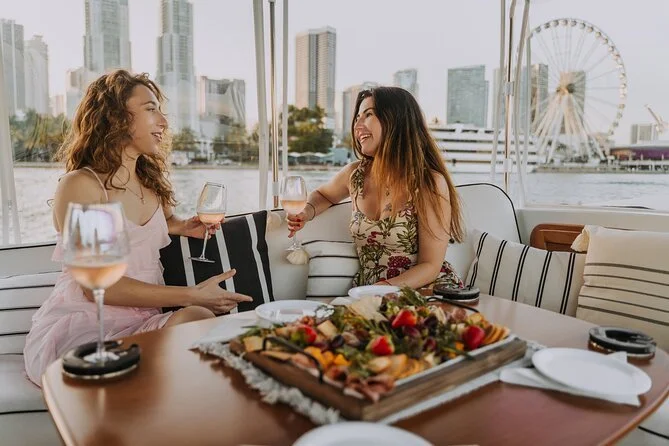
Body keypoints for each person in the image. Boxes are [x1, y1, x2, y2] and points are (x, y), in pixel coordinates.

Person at [24, 70, 252, 385]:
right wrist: (193, 295)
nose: (163, 121)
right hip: (92, 321)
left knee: (199, 320)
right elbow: (97, 287)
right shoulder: (83, 185)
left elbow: (155, 226)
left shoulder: (150, 182)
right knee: (197, 313)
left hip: (145, 319)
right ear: (115, 117)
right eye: (150, 109)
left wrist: (183, 226)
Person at [288, 87, 465, 289]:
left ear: (395, 120)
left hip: (424, 292)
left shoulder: (428, 183)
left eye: (368, 115)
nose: (357, 126)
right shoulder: (354, 175)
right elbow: (323, 195)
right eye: (357, 118)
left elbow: (431, 266)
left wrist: (379, 291)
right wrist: (306, 212)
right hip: (371, 296)